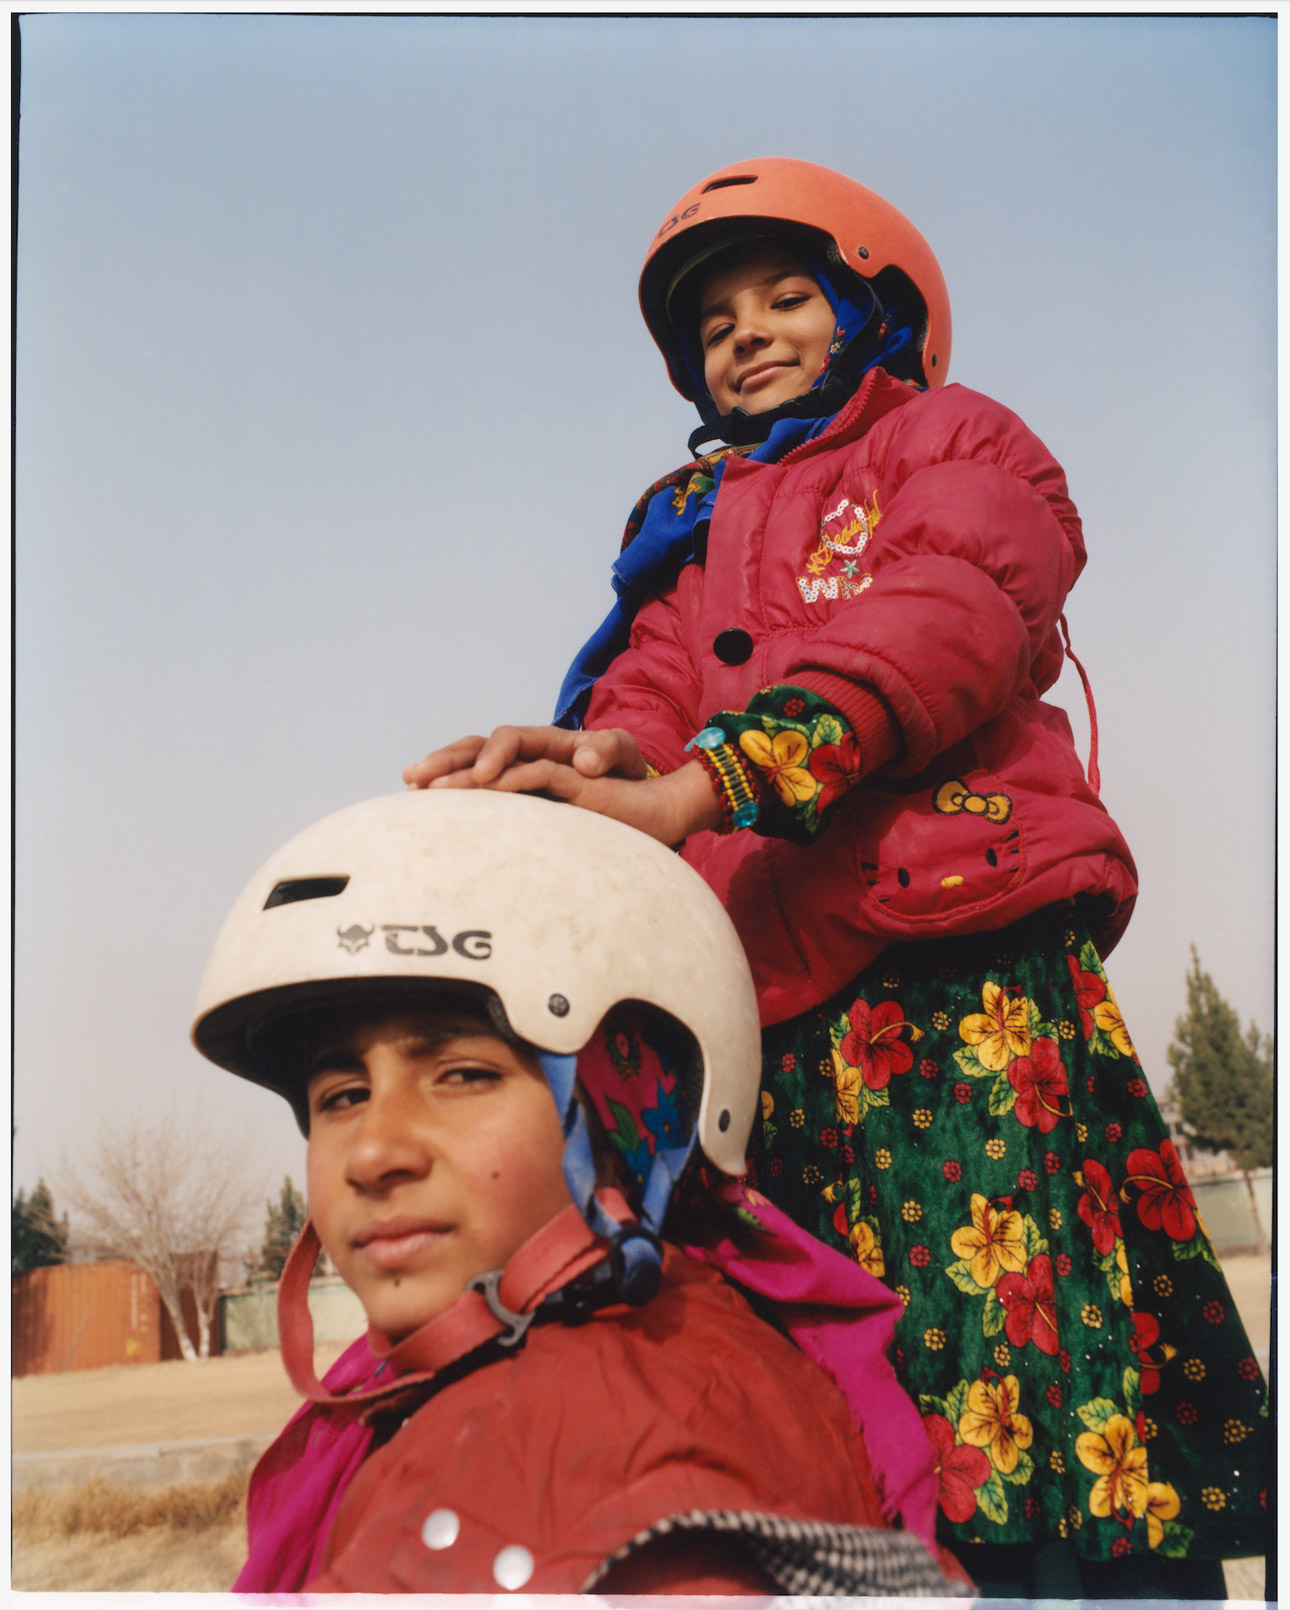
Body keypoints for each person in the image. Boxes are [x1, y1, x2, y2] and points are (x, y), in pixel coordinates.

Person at [404, 158, 1270, 1596]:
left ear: (874, 308)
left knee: (1029, 1376)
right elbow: (660, 690)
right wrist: (586, 760)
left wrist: (714, 781)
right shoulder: (686, 521)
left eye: (784, 295)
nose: (742, 332)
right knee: (853, 1390)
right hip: (778, 1025)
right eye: (713, 319)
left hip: (952, 975)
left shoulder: (950, 439)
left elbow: (940, 615)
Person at [191, 788, 971, 1595]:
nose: (374, 1153)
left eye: (463, 1075)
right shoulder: (708, 1339)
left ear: (628, 1114)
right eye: (343, 1096)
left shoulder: (531, 1454)